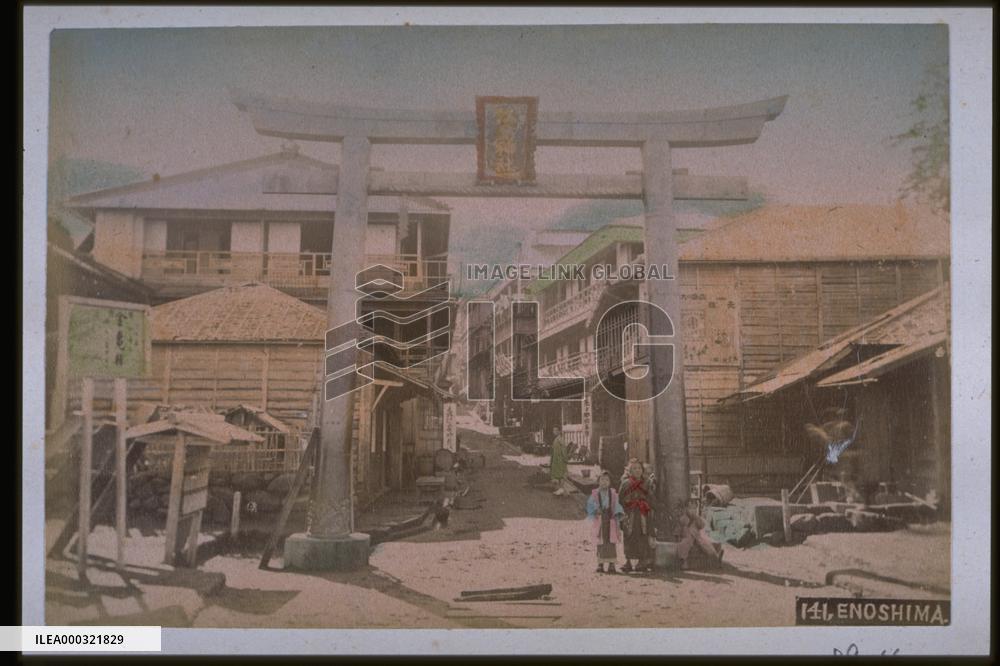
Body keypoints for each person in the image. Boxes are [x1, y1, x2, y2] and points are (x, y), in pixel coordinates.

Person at [619, 458, 655, 572]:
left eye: (639, 468)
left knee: (642, 536)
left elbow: (651, 498)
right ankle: (628, 561)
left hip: (643, 514)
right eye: (634, 468)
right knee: (629, 536)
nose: (637, 470)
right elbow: (620, 498)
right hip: (630, 514)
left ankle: (642, 561)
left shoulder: (647, 482)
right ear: (629, 470)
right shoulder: (625, 483)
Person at [586, 471, 625, 574]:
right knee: (600, 541)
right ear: (598, 481)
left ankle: (612, 564)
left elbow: (616, 505)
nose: (604, 482)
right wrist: (595, 509)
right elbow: (590, 504)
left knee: (611, 541)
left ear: (610, 482)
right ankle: (600, 564)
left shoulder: (613, 494)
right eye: (602, 479)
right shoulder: (595, 493)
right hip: (600, 519)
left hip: (610, 519)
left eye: (607, 480)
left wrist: (617, 513)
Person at [676, 498, 723, 570]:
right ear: (686, 509)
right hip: (687, 537)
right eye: (691, 508)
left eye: (695, 508)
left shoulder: (696, 518)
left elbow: (701, 526)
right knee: (684, 545)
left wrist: (697, 519)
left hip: (697, 537)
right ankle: (684, 563)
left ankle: (716, 557)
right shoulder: (683, 518)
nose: (693, 510)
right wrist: (678, 536)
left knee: (705, 544)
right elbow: (678, 528)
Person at [549, 425, 569, 495]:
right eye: (554, 430)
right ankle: (560, 489)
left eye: (556, 430)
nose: (554, 432)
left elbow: (564, 449)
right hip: (556, 459)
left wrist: (565, 459)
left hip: (560, 460)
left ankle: (562, 489)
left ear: (559, 431)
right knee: (558, 475)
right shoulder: (556, 439)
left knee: (561, 475)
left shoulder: (560, 439)